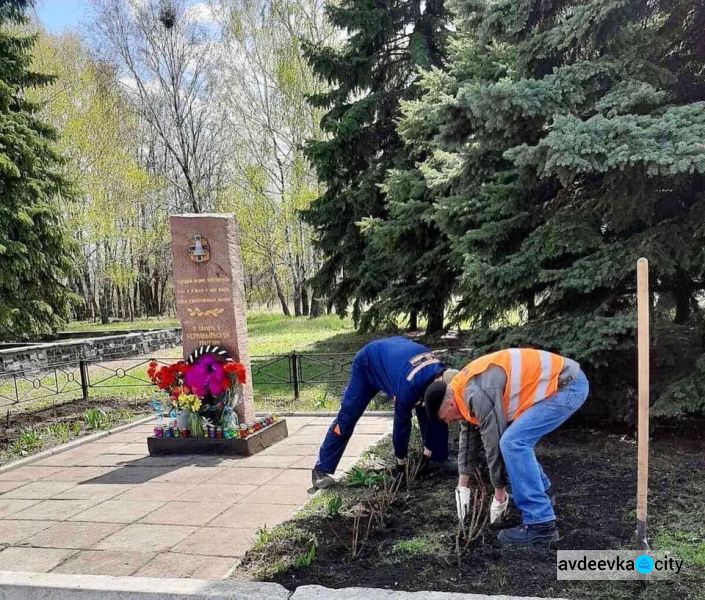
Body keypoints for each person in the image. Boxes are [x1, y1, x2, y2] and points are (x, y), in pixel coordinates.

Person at [424, 348, 589, 545]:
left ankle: (540, 524)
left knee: (512, 442)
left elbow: (493, 443)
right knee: (515, 441)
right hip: (561, 383)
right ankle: (544, 493)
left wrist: (499, 492)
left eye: (445, 419)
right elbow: (468, 438)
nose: (448, 423)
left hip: (566, 386)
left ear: (449, 405)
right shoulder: (460, 391)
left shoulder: (477, 394)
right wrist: (462, 484)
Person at [312, 336, 453, 489]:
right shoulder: (408, 386)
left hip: (392, 361)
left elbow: (437, 414)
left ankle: (438, 459)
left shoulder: (442, 374)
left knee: (432, 409)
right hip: (368, 363)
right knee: (347, 416)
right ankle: (321, 469)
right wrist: (401, 466)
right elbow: (401, 424)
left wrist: (428, 454)